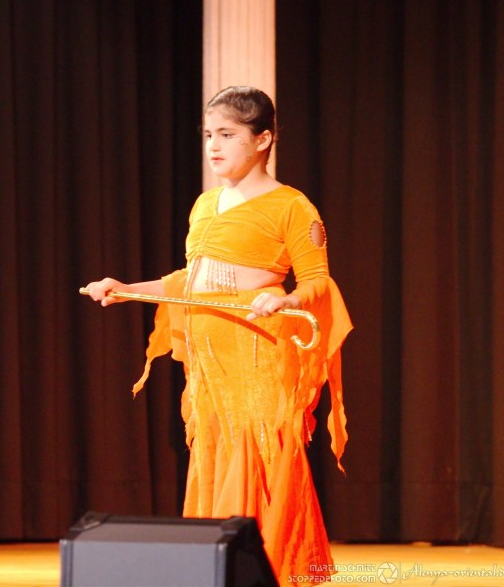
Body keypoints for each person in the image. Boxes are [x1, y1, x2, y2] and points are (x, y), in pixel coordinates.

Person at [85, 86, 351, 585]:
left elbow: (317, 281)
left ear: (263, 139)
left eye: (227, 134)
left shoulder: (292, 206)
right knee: (215, 452)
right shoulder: (205, 205)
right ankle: (219, 571)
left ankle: (269, 571)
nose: (213, 145)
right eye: (209, 134)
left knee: (261, 453)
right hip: (211, 368)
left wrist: (287, 300)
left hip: (257, 358)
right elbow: (192, 282)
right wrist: (127, 289)